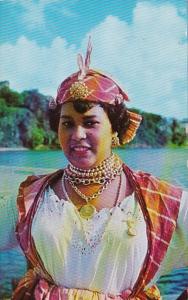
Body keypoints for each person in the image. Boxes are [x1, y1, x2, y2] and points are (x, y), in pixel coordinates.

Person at [0, 39, 187, 300]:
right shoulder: (33, 196)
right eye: (67, 124)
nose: (77, 134)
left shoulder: (157, 198)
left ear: (115, 130)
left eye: (90, 123)